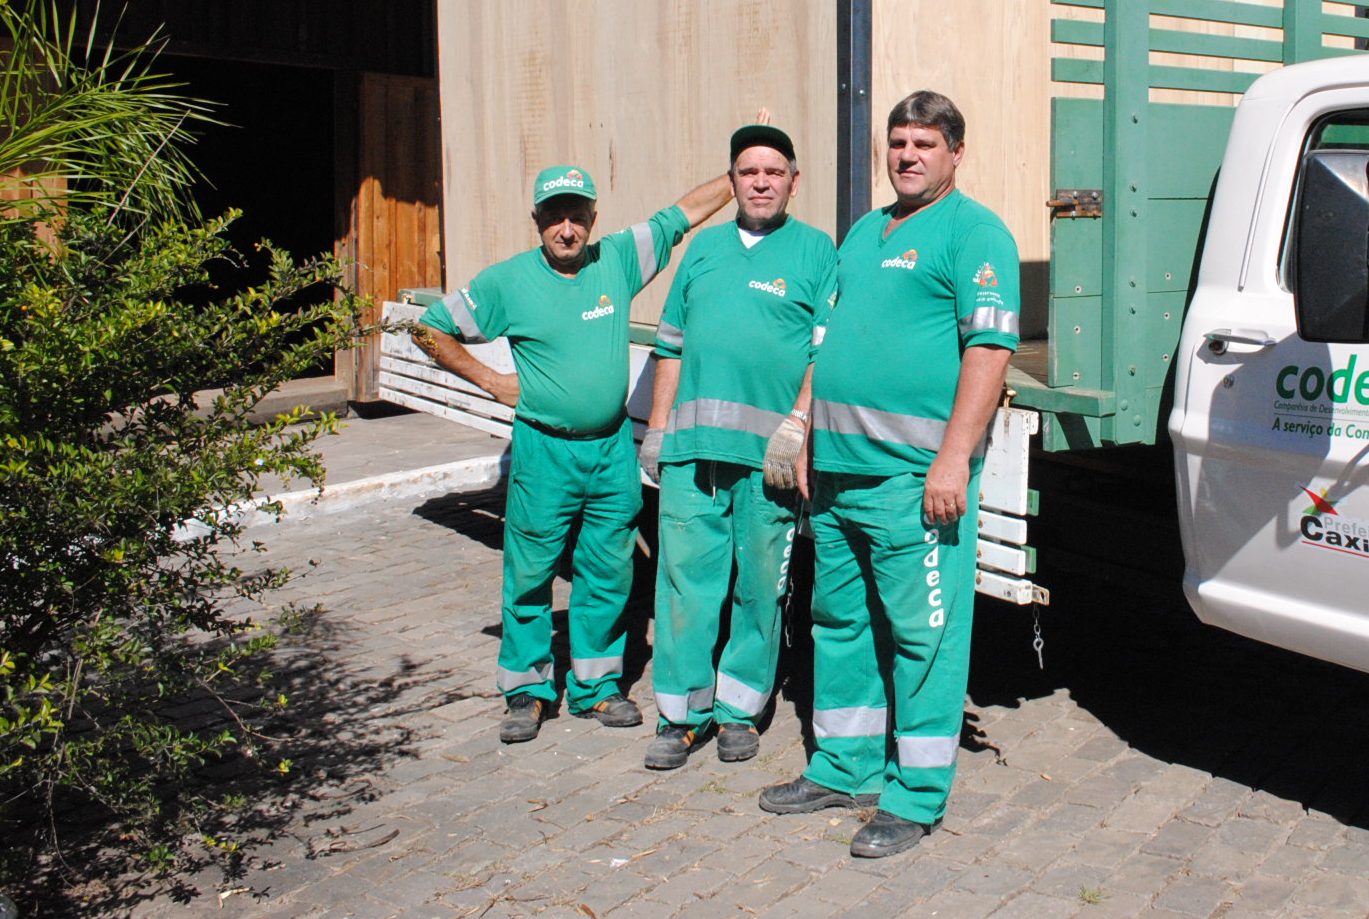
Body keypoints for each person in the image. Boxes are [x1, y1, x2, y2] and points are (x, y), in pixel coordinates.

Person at [758, 91, 1019, 859]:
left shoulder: (975, 234)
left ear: (956, 154)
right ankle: (845, 766)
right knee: (838, 627)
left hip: (913, 482)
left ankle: (916, 795)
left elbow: (990, 352)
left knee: (922, 639)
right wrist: (803, 426)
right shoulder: (866, 231)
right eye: (898, 143)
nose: (907, 156)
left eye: (924, 145)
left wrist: (952, 460)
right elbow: (827, 340)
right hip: (837, 477)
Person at [415, 163, 731, 744]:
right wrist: (491, 380)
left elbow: (678, 217)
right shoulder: (507, 283)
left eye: (577, 214)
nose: (567, 227)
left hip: (611, 451)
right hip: (544, 453)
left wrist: (742, 168)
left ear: (592, 217)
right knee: (530, 576)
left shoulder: (616, 259)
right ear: (537, 220)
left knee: (608, 572)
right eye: (555, 215)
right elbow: (429, 329)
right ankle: (526, 693)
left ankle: (595, 688)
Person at [638, 123, 837, 770]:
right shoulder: (701, 251)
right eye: (749, 172)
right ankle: (680, 716)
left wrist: (798, 425)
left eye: (773, 171)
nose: (761, 181)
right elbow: (669, 346)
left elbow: (824, 351)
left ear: (793, 182)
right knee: (685, 588)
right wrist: (659, 431)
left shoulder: (815, 252)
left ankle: (738, 713)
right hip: (693, 454)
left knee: (759, 590)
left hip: (767, 463)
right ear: (731, 183)